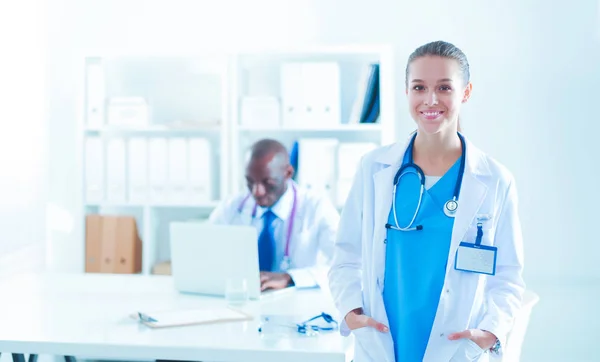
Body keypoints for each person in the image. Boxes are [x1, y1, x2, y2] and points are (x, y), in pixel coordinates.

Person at [327, 41, 525, 362]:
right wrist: (351, 311)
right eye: (419, 87)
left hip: (455, 347)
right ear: (407, 91)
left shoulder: (494, 179)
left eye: (444, 87)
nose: (431, 100)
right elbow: (346, 256)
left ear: (466, 92)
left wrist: (490, 332)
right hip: (383, 341)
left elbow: (508, 277)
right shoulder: (374, 168)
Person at [209, 138, 340, 291]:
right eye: (250, 182)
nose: (257, 191)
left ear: (288, 173)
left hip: (299, 302)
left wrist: (291, 278)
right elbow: (206, 252)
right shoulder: (232, 206)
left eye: (268, 182)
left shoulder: (316, 207)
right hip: (244, 297)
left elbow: (346, 266)